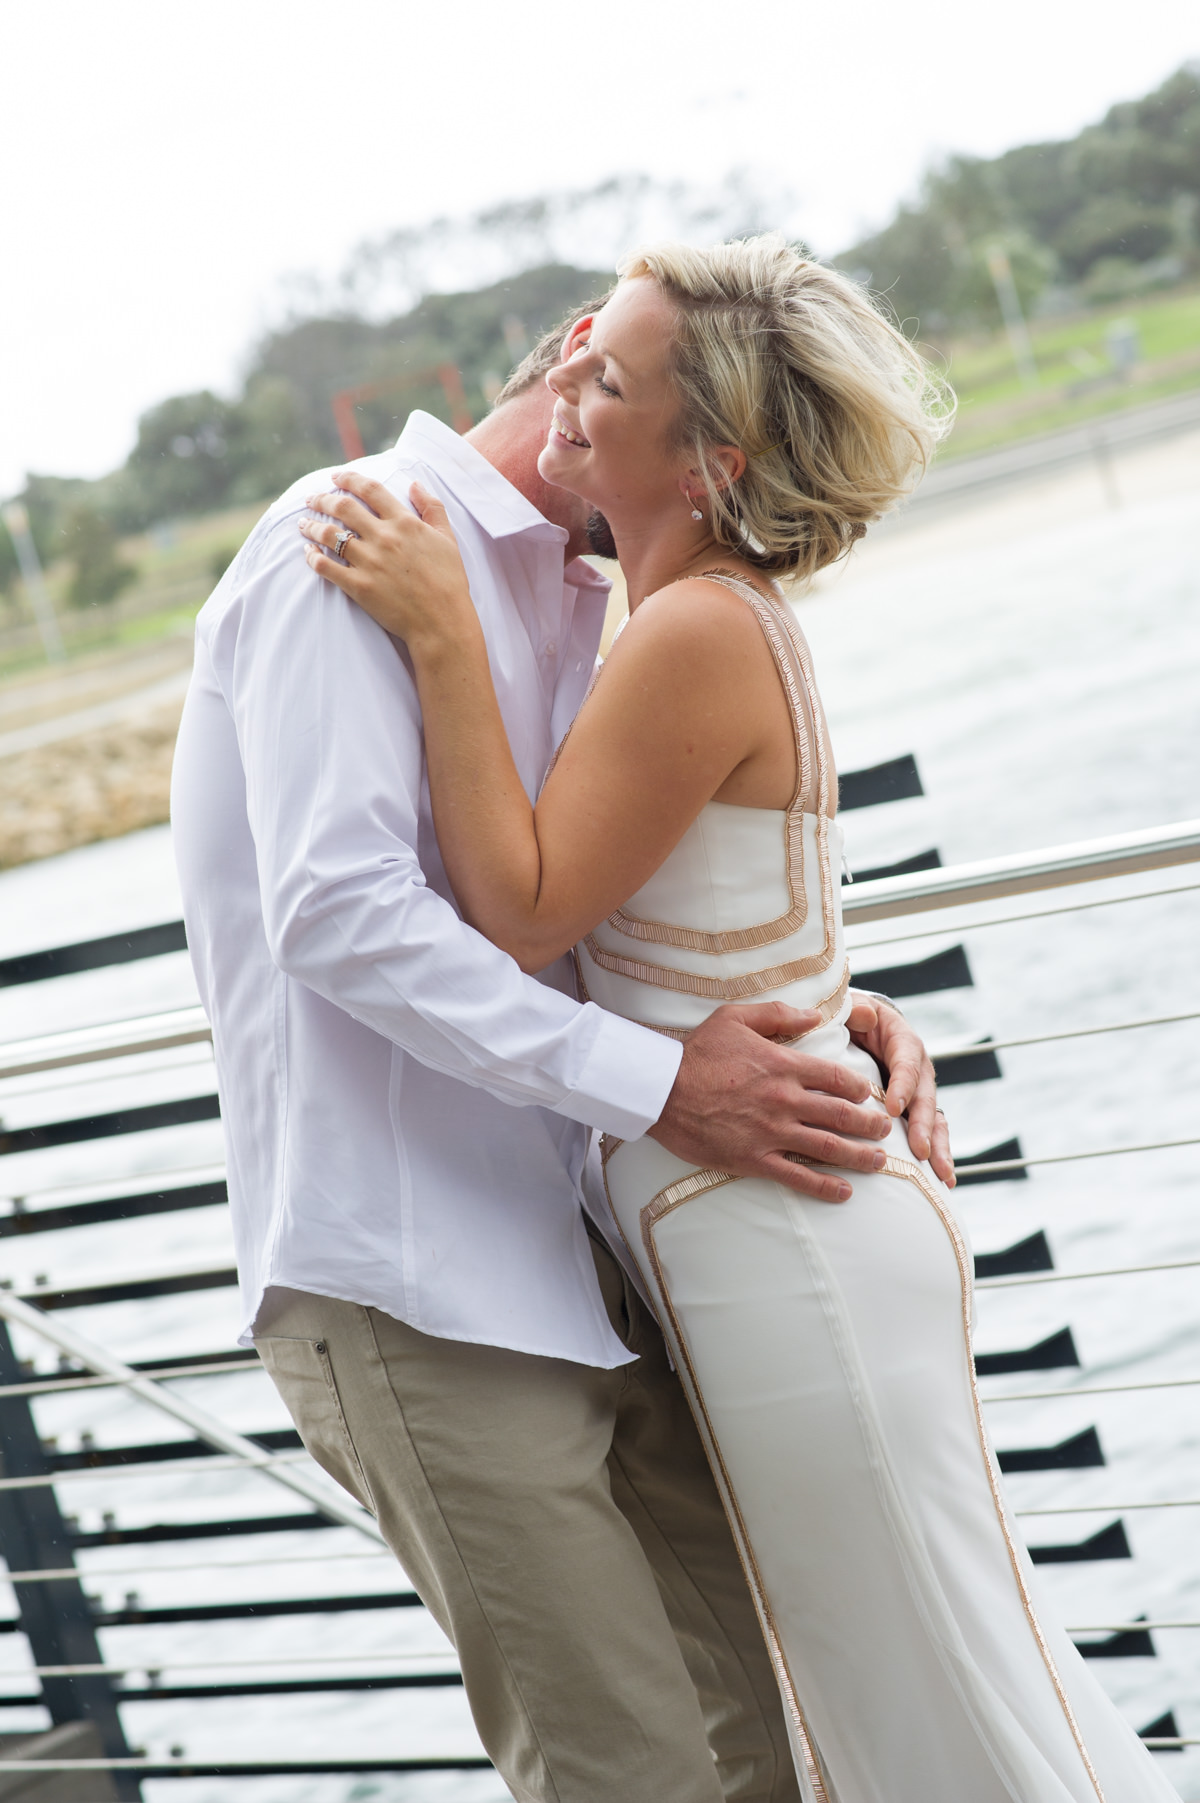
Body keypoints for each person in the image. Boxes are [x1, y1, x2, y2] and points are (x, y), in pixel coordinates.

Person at [299, 236, 1180, 1803]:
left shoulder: (695, 630)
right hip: (775, 1234)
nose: (563, 377)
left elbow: (522, 911)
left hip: (793, 1254)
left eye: (611, 375)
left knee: (929, 1707)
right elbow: (705, 917)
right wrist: (844, 1005)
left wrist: (439, 631)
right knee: (907, 1690)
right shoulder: (678, 617)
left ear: (712, 457)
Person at [169, 274, 950, 1803]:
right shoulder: (352, 539)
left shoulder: (609, 595)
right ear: (590, 363)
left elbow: (584, 903)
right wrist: (667, 1080)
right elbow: (341, 918)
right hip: (419, 1286)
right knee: (630, 1777)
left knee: (788, 1743)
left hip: (617, 1254)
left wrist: (819, 1011)